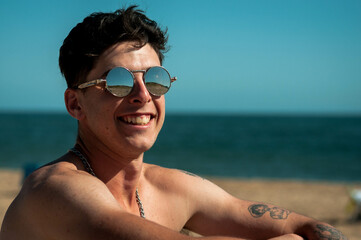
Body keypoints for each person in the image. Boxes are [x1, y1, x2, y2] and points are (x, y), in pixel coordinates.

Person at [0, 6, 347, 240]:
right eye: (118, 81)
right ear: (75, 103)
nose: (142, 95)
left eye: (155, 80)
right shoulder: (56, 189)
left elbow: (303, 224)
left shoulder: (170, 188)